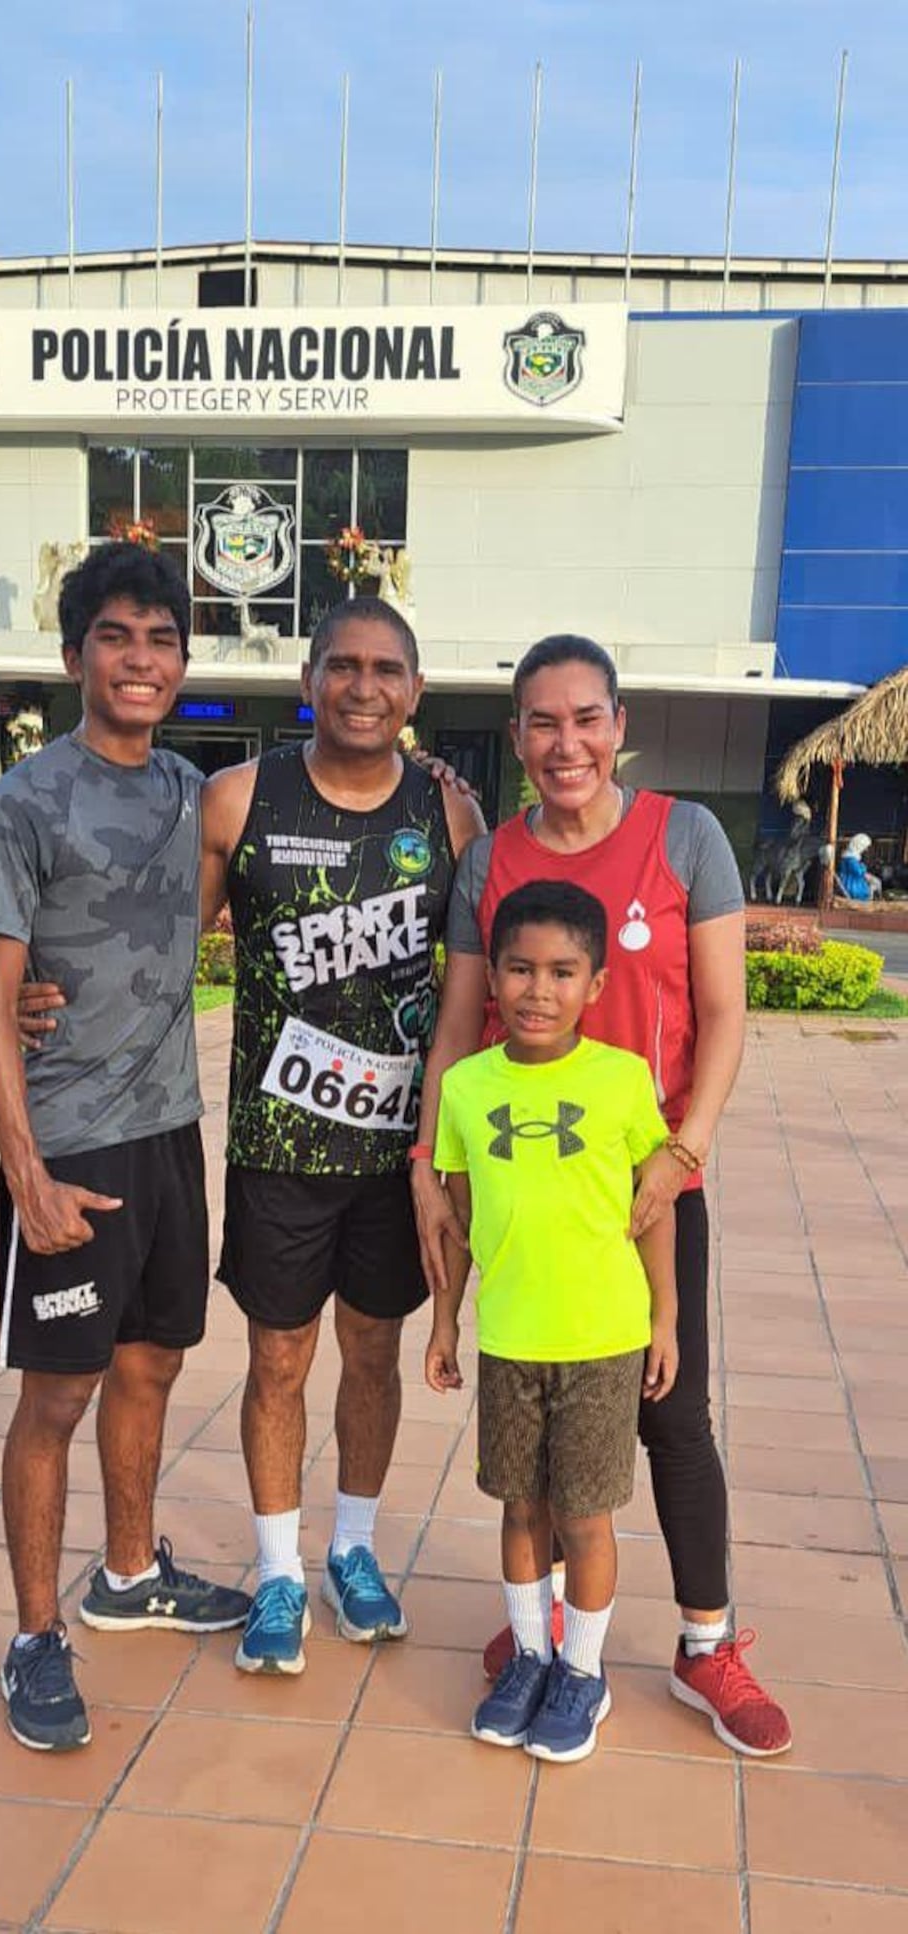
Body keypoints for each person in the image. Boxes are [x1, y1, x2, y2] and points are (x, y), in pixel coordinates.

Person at [413, 633, 793, 1758]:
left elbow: (723, 1012)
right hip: (526, 1182)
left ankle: (704, 1640)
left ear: (619, 724)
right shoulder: (491, 861)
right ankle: (543, 1632)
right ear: (518, 733)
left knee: (673, 1412)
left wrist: (684, 1149)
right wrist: (431, 1163)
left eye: (585, 717)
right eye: (541, 720)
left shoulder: (686, 836)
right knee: (528, 1421)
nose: (564, 742)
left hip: (646, 1185)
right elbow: (460, 1020)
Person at [0, 542, 249, 1753]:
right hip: (70, 1149)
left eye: (162, 638)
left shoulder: (191, 792)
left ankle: (129, 1572)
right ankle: (35, 1635)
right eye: (118, 636)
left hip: (170, 1139)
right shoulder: (22, 800)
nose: (142, 658)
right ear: (74, 652)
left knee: (150, 1369)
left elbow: (220, 887)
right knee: (59, 1393)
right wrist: (25, 1171)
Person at [200, 597, 486, 1674]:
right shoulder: (239, 799)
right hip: (279, 1146)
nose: (364, 685)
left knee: (373, 1354)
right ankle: (280, 1570)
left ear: (415, 691)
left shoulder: (452, 815)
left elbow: (491, 977)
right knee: (278, 1358)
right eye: (344, 665)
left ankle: (352, 1552)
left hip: (397, 1158)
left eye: (387, 669)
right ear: (308, 679)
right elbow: (160, 939)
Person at [427, 880, 678, 1762]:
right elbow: (456, 1219)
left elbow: (658, 1207)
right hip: (510, 1338)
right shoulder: (463, 1087)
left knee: (584, 1515)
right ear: (489, 977)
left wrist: (668, 1318)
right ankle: (529, 1657)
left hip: (604, 1339)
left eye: (563, 972)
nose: (540, 990)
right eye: (522, 970)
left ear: (597, 984)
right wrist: (445, 1324)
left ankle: (582, 1671)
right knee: (519, 1505)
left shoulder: (619, 1082)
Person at [836, 833, 882, 901]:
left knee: (876, 882)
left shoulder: (851, 857)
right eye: (864, 847)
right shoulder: (850, 858)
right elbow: (858, 871)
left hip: (854, 881)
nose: (865, 849)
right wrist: (863, 867)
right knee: (873, 885)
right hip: (852, 885)